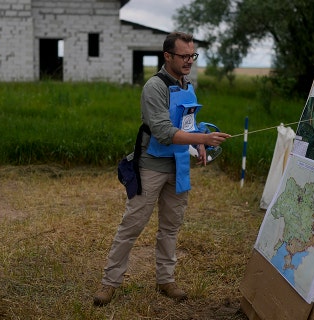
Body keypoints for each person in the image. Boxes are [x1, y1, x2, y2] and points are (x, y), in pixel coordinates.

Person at [93, 31, 231, 306]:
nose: (189, 60)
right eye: (184, 56)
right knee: (131, 226)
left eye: (193, 55)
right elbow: (164, 132)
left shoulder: (187, 84)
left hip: (179, 165)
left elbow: (188, 125)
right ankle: (109, 284)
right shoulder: (153, 87)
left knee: (170, 227)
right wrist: (203, 138)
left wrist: (199, 143)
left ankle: (166, 280)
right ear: (167, 56)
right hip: (151, 167)